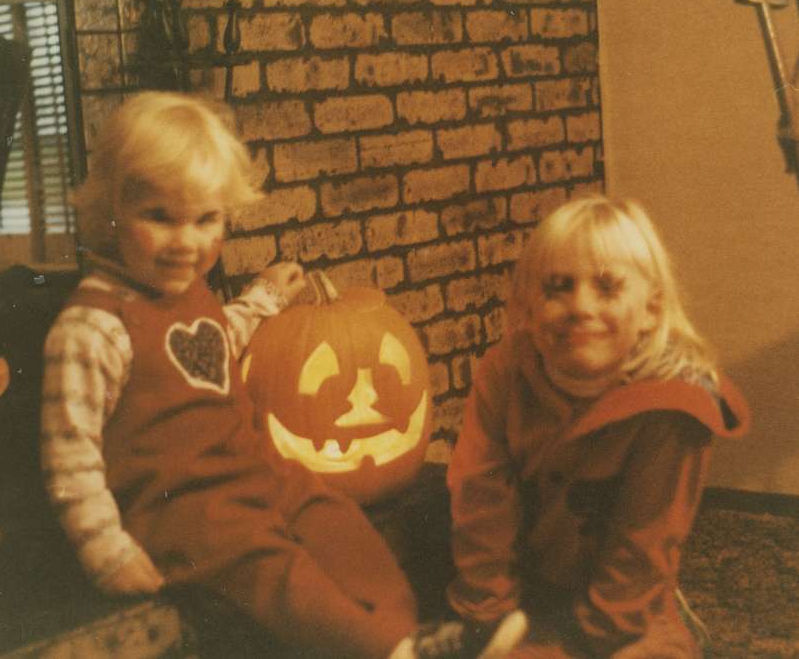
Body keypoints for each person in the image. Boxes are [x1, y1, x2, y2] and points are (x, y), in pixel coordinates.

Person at [40, 91, 527, 659]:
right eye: (159, 218)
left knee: (333, 518)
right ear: (111, 212)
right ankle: (384, 650)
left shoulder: (186, 293)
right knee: (271, 564)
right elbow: (68, 452)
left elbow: (209, 344)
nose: (186, 242)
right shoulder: (93, 326)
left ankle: (399, 637)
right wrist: (107, 549)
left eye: (206, 220)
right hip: (178, 508)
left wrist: (264, 298)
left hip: (252, 470)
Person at [445, 196, 750, 658]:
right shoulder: (503, 372)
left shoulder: (674, 409)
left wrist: (560, 648)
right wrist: (490, 620)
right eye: (557, 288)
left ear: (651, 309)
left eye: (607, 288)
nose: (580, 306)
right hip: (523, 590)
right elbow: (480, 499)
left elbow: (640, 555)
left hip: (623, 609)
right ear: (527, 307)